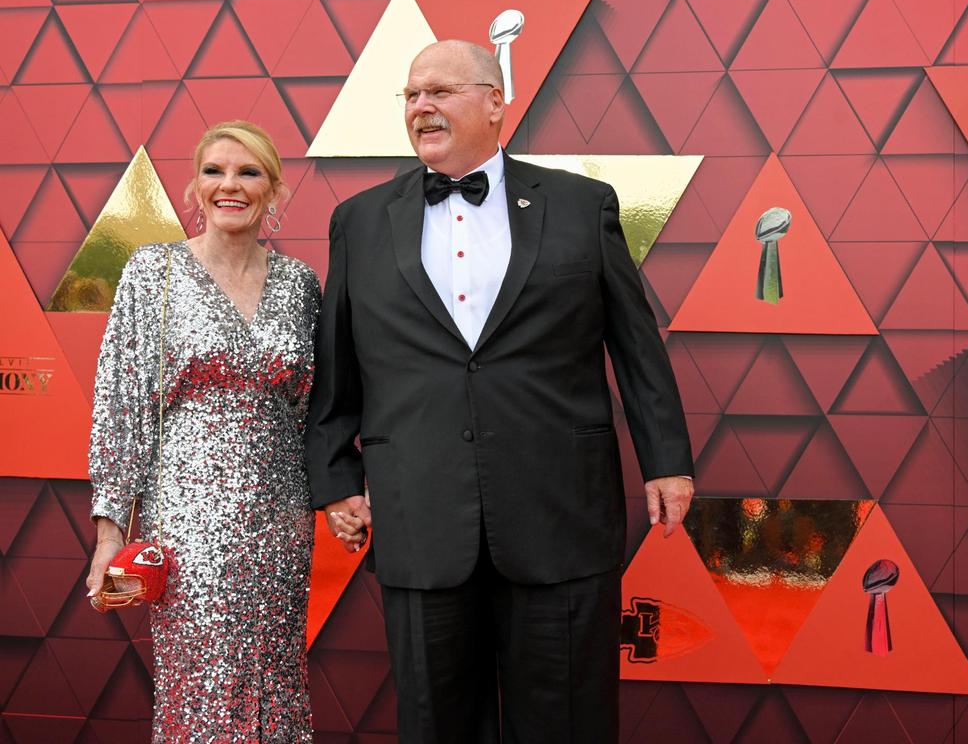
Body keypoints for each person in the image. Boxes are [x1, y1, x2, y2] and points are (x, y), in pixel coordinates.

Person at [305, 40, 695, 743]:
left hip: (560, 513)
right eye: (411, 94)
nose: (422, 106)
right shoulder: (359, 221)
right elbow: (338, 362)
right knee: (438, 726)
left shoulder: (581, 205)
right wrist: (335, 479)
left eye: (440, 91)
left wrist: (666, 459)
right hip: (421, 514)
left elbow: (636, 344)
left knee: (568, 723)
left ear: (494, 102)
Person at [85, 120, 321, 742]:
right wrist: (111, 533)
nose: (229, 185)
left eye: (248, 172)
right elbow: (122, 407)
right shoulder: (153, 273)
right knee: (200, 688)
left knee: (276, 681)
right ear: (194, 187)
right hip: (188, 522)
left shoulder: (300, 284)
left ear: (274, 190)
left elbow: (314, 409)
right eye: (214, 171)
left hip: (281, 519)